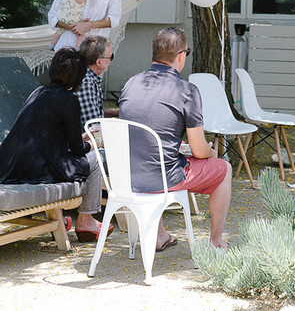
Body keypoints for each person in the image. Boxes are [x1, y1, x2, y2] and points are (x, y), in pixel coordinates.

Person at [119, 27, 231, 250]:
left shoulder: (130, 83)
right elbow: (199, 151)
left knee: (155, 156)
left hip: (127, 176)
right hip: (162, 178)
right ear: (181, 56)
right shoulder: (186, 90)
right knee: (224, 168)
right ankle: (216, 241)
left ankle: (160, 236)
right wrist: (210, 151)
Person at [0, 48, 111, 242]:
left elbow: (47, 135)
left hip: (12, 164)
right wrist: (92, 144)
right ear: (79, 76)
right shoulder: (68, 100)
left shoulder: (39, 92)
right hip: (37, 168)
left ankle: (63, 220)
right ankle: (86, 220)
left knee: (71, 157)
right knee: (96, 159)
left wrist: (82, 136)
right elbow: (77, 150)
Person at [76, 35, 116, 128]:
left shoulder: (89, 78)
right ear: (99, 62)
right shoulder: (86, 83)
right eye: (111, 57)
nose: (111, 60)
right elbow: (93, 126)